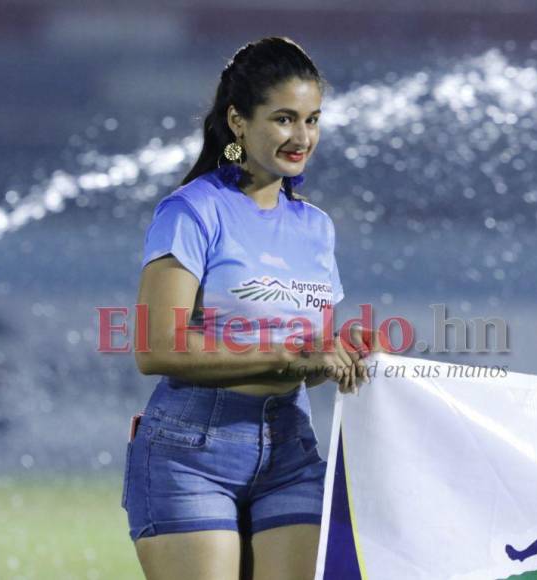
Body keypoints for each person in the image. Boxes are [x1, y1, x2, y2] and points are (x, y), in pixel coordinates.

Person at [122, 37, 373, 580]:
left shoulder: (316, 227)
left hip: (291, 451)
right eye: (284, 119)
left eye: (312, 120)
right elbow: (156, 349)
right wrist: (298, 356)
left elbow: (307, 359)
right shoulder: (191, 210)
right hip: (191, 453)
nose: (302, 137)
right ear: (238, 121)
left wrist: (341, 357)